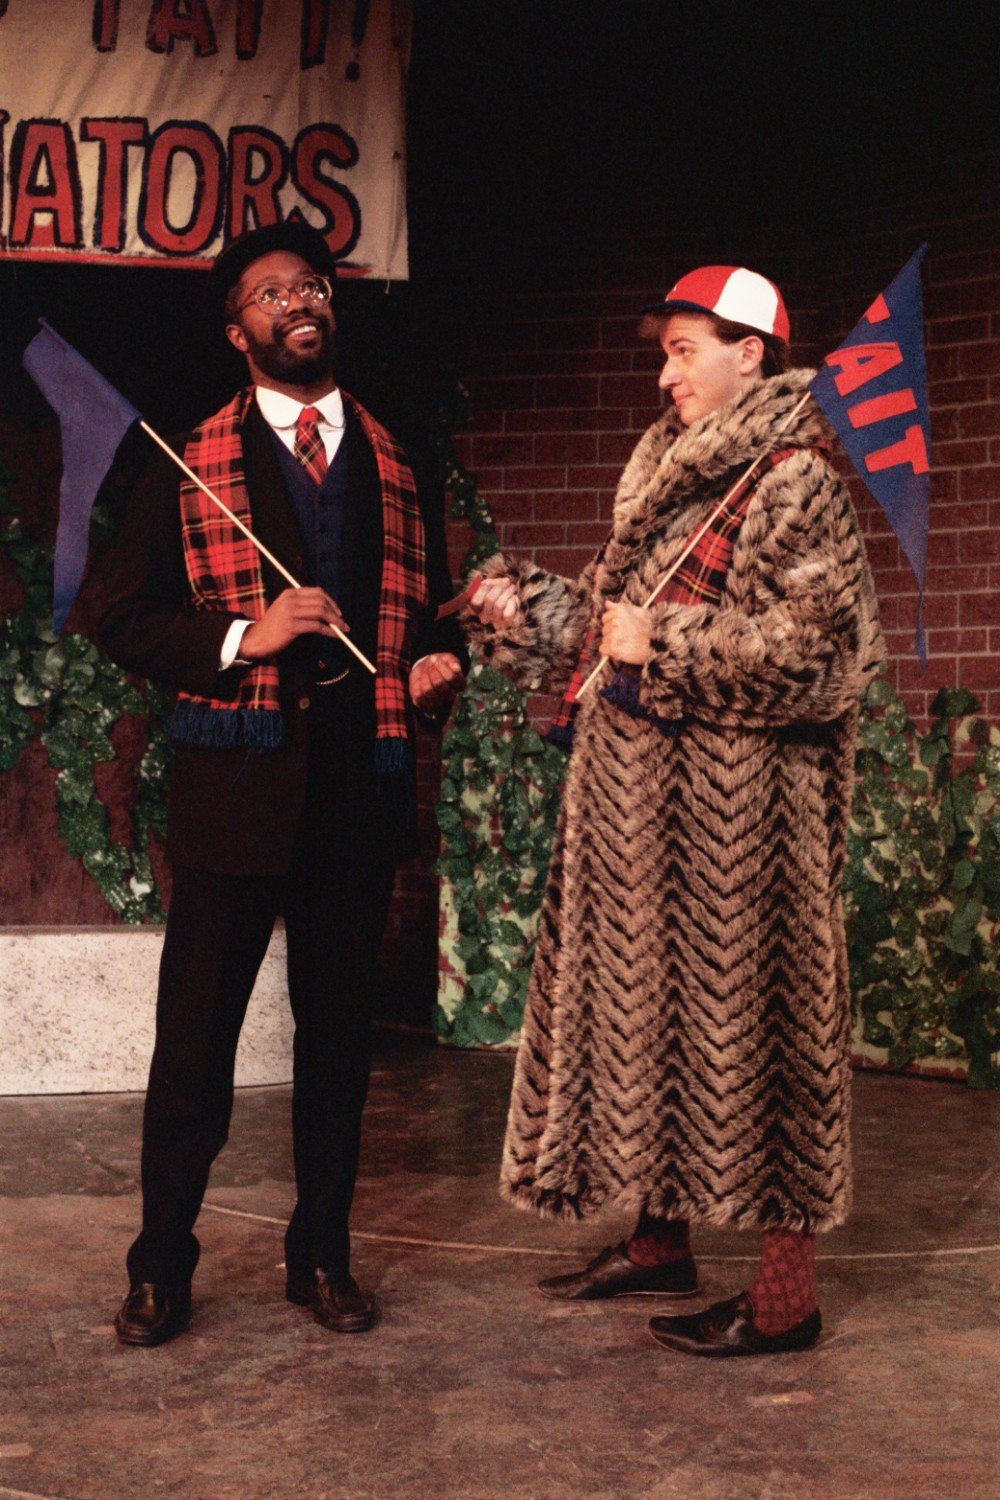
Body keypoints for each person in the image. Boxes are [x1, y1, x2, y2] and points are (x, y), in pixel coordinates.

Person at [463, 265, 885, 1356]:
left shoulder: (793, 481)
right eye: (664, 354)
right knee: (654, 1026)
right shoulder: (672, 478)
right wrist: (527, 610)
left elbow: (817, 659)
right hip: (638, 812)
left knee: (769, 1043)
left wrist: (670, 645)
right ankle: (660, 1244)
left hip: (744, 827)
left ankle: (786, 1298)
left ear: (753, 355)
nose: (665, 375)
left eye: (683, 351)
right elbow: (614, 624)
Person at [95, 222, 466, 1345]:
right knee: (194, 1049)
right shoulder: (181, 457)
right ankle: (161, 1266)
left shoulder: (400, 460)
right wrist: (244, 637)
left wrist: (439, 669)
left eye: (310, 285)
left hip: (357, 795)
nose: (296, 301)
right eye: (268, 292)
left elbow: (427, 623)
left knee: (338, 1049)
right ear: (237, 331)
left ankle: (323, 1257)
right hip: (233, 800)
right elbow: (121, 616)